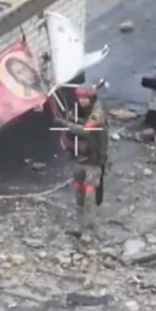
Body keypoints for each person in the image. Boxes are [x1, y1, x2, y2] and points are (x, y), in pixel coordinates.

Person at [55, 86, 109, 244]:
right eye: (80, 98)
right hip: (81, 158)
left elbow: (86, 130)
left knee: (90, 196)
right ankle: (80, 227)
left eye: (85, 99)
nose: (82, 101)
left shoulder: (97, 113)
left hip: (93, 161)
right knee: (79, 193)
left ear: (92, 99)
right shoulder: (84, 111)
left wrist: (65, 124)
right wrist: (72, 120)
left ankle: (89, 230)